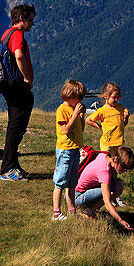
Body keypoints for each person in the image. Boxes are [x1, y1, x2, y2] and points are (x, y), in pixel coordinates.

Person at [0, 4, 35, 181]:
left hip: (9, 86)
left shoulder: (6, 33)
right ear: (21, 18)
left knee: (15, 126)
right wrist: (26, 78)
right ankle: (7, 169)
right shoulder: (18, 34)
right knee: (15, 128)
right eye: (30, 20)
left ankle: (13, 165)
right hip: (17, 87)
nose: (32, 24)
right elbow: (19, 55)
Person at [74, 146, 134, 230]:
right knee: (110, 190)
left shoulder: (104, 156)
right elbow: (107, 203)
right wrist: (120, 221)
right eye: (123, 166)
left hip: (75, 191)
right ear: (116, 159)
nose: (125, 170)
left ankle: (90, 210)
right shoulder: (104, 172)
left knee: (118, 185)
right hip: (76, 197)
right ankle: (88, 212)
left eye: (127, 168)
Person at [52, 79, 87, 220]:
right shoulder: (62, 110)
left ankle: (71, 210)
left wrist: (81, 116)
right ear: (70, 97)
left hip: (75, 149)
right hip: (65, 150)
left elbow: (81, 129)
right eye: (79, 98)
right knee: (61, 181)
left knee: (72, 182)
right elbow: (66, 130)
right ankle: (56, 212)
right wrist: (74, 115)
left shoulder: (74, 109)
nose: (81, 100)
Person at [86, 82, 129, 157]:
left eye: (118, 97)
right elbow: (88, 120)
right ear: (105, 96)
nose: (116, 100)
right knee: (106, 162)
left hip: (118, 142)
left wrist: (126, 117)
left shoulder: (120, 108)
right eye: (114, 97)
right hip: (107, 144)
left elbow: (123, 124)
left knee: (116, 163)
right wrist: (100, 127)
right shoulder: (102, 110)